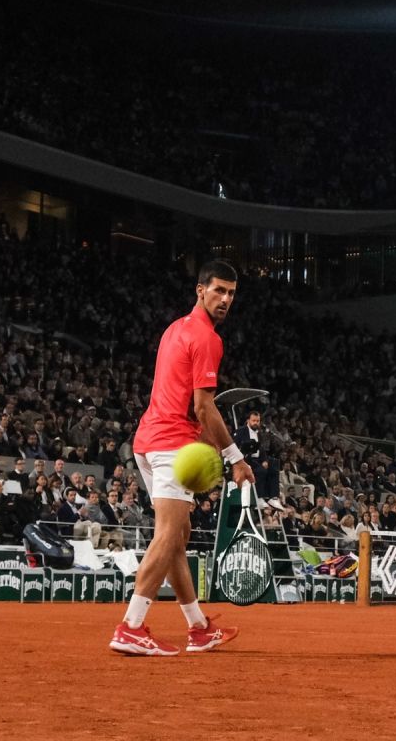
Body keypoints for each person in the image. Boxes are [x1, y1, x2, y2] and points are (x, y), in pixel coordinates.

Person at [110, 260, 254, 657]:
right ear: (200, 290)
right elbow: (203, 407)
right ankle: (130, 626)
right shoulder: (207, 339)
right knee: (168, 535)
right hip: (172, 445)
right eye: (218, 290)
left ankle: (198, 627)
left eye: (231, 293)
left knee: (178, 536)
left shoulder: (175, 328)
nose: (225, 299)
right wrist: (235, 458)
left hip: (148, 441)